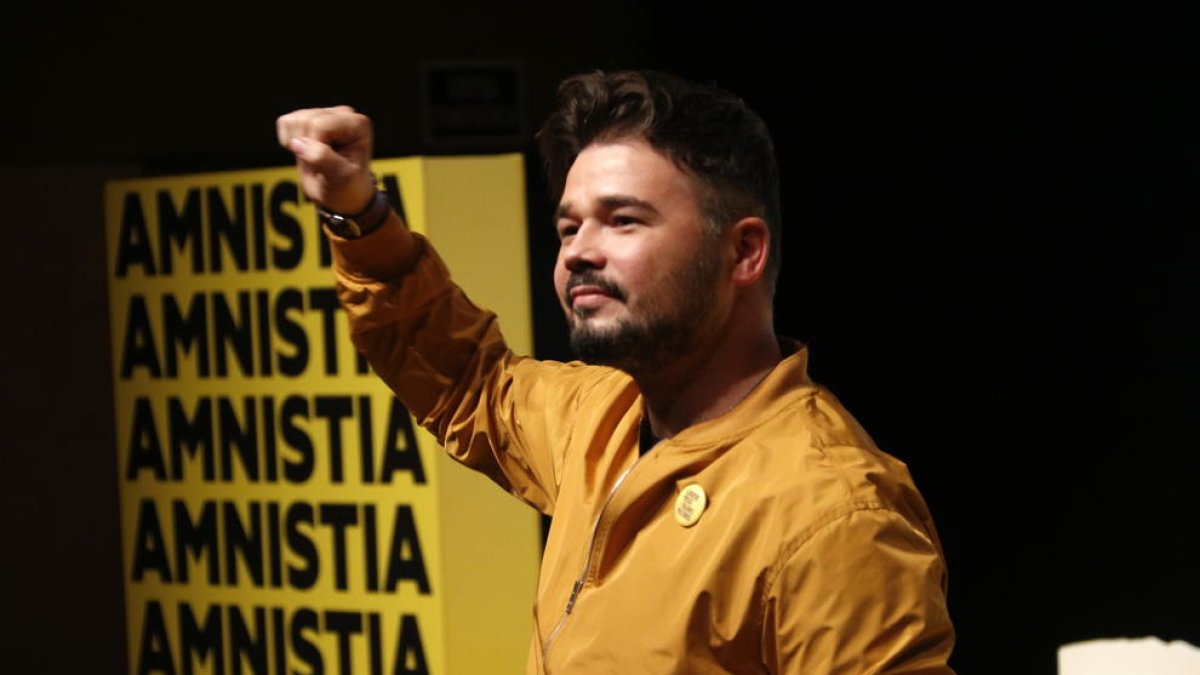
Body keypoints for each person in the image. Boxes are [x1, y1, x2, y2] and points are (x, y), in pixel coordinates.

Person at [277, 70, 955, 674]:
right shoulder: (599, 416)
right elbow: (464, 379)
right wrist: (359, 213)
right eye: (569, 228)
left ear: (743, 251)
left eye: (623, 220)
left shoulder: (832, 511)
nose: (579, 253)